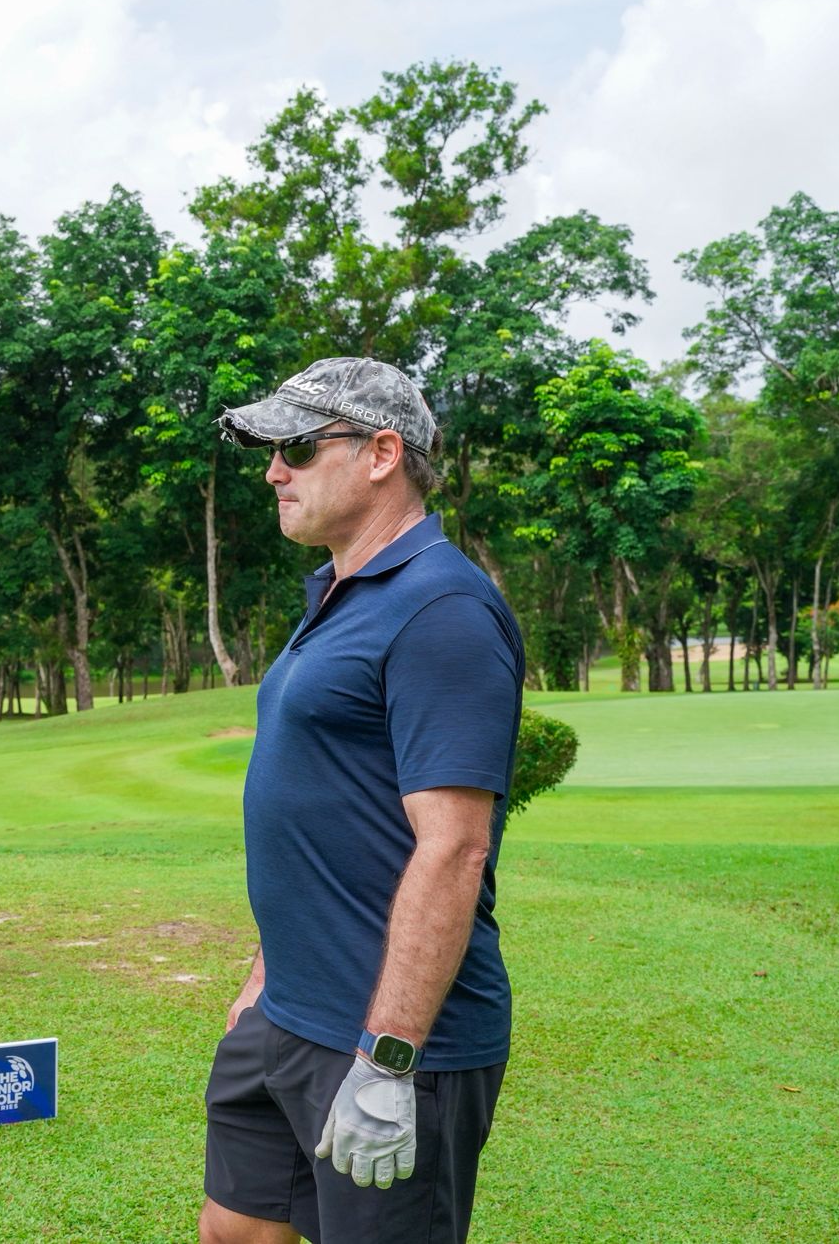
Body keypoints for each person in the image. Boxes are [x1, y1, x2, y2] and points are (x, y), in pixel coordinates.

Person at [198, 358, 524, 1244]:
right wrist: (268, 971)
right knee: (235, 1231)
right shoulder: (340, 595)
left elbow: (454, 846)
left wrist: (388, 1059)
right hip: (288, 1012)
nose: (275, 471)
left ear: (382, 454)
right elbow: (325, 808)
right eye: (271, 452)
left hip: (389, 1044)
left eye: (299, 449)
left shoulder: (442, 609)